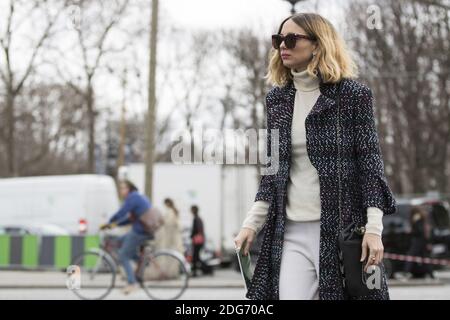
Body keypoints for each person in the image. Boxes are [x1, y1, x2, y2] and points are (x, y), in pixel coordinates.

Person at [234, 13, 397, 300]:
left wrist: (373, 229)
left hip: (341, 232)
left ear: (318, 45)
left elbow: (370, 167)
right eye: (279, 39)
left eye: (292, 39)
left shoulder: (352, 96)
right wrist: (251, 223)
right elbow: (272, 172)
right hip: (291, 231)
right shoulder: (277, 100)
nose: (283, 45)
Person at [102, 180, 153, 295]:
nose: (121, 190)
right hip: (141, 228)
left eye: (123, 188)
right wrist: (113, 224)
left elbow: (122, 212)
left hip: (140, 230)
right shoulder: (136, 197)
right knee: (120, 241)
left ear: (129, 189)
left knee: (123, 255)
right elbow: (128, 219)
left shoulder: (132, 198)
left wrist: (109, 222)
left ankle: (132, 282)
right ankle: (140, 260)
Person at [404, 206, 434, 278]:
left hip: (418, 241)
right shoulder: (423, 218)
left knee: (411, 256)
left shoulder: (417, 218)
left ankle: (406, 272)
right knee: (425, 258)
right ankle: (430, 274)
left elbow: (419, 231)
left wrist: (411, 231)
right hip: (423, 241)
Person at [190, 205, 207, 277]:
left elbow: (195, 230)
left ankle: (196, 272)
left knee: (195, 257)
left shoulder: (195, 219)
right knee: (197, 257)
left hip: (197, 240)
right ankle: (204, 269)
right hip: (200, 240)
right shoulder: (199, 218)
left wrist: (191, 236)